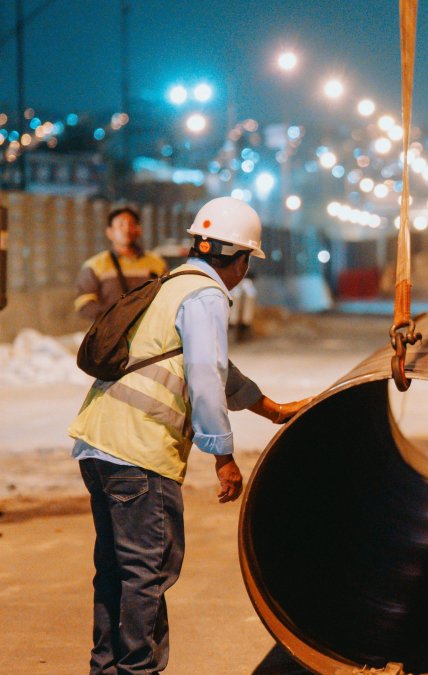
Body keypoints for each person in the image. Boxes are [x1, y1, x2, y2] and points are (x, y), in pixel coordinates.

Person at [68, 197, 310, 675]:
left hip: (99, 444)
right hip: (139, 452)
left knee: (117, 571)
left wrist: (271, 408)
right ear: (239, 259)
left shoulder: (173, 284)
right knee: (146, 573)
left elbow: (215, 367)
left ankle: (106, 667)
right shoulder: (206, 295)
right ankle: (137, 670)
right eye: (247, 261)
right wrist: (223, 454)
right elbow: (204, 372)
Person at [75, 207, 168, 321]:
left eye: (131, 224)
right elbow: (84, 303)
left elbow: (167, 297)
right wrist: (112, 317)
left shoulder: (156, 263)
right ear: (109, 232)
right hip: (111, 334)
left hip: (148, 333)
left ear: (139, 230)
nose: (127, 229)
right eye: (121, 225)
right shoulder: (95, 265)